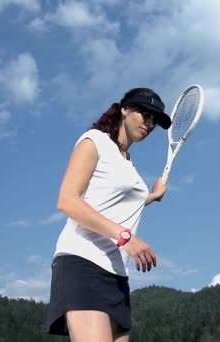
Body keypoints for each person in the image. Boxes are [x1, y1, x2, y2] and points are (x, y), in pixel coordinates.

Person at [46, 87, 172, 341]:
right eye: (144, 114)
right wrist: (125, 237)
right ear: (124, 109)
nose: (149, 123)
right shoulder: (94, 140)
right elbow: (67, 201)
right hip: (83, 262)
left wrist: (151, 197)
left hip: (117, 274)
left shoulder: (127, 162)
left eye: (154, 120)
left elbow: (113, 205)